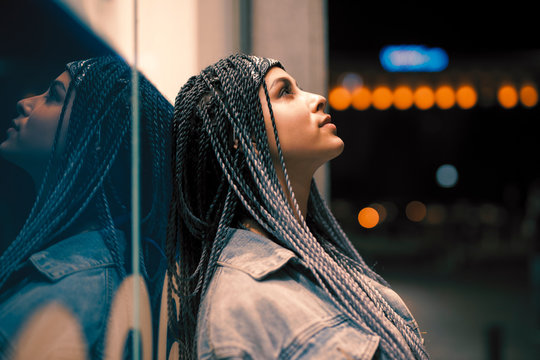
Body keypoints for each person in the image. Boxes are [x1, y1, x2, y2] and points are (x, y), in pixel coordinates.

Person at [166, 53, 429, 359]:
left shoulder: (321, 260)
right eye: (285, 92)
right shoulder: (243, 305)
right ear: (241, 136)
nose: (317, 99)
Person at [0, 55, 173, 358]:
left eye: (53, 97)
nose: (25, 103)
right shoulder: (103, 269)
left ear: (97, 138)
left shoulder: (69, 290)